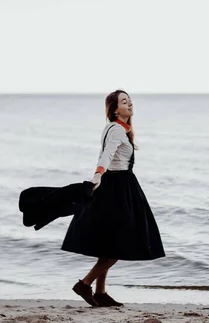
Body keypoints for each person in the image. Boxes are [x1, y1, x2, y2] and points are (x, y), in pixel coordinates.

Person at [61, 89, 165, 307]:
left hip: (117, 187)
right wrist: (98, 173)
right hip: (118, 188)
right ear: (115, 109)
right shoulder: (117, 129)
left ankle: (100, 292)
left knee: (108, 244)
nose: (130, 104)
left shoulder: (116, 128)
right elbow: (106, 155)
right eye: (124, 102)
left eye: (130, 100)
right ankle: (84, 284)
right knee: (119, 245)